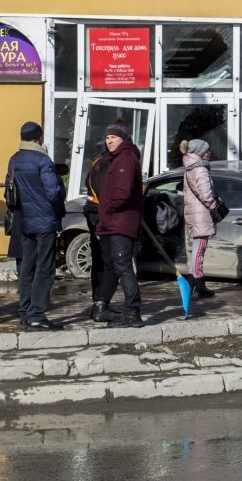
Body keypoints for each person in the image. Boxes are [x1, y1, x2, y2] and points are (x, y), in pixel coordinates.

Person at [8, 121, 65, 330]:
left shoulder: (14, 160)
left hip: (24, 222)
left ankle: (24, 312)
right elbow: (53, 192)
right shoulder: (43, 160)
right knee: (46, 268)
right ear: (39, 137)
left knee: (27, 268)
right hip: (45, 222)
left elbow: (9, 192)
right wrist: (59, 210)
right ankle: (37, 314)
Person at [95, 120, 146, 327]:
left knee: (124, 267)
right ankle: (127, 311)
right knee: (121, 266)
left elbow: (123, 192)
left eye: (113, 137)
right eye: (107, 138)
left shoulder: (125, 158)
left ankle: (132, 313)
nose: (109, 141)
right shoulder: (117, 158)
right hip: (116, 221)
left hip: (120, 222)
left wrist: (108, 209)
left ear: (123, 139)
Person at [182, 138, 218, 300]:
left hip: (195, 212)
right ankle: (199, 283)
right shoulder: (200, 170)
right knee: (199, 250)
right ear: (199, 153)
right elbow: (206, 194)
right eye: (206, 150)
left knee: (197, 248)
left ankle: (191, 283)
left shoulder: (190, 168)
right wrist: (214, 206)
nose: (208, 152)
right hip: (201, 213)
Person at [82, 145, 113, 321]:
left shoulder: (98, 162)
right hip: (98, 214)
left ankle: (98, 301)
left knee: (100, 259)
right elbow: (103, 194)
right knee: (106, 260)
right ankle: (100, 303)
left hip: (93, 212)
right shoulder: (104, 165)